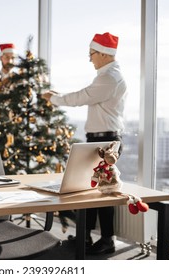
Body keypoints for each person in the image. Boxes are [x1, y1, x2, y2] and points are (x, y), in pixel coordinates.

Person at [41, 32, 127, 255]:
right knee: (89, 190)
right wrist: (57, 96)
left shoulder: (109, 78)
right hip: (99, 139)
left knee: (104, 193)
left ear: (104, 54)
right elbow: (86, 95)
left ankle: (107, 239)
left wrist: (54, 99)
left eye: (92, 54)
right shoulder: (107, 75)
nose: (90, 58)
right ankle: (85, 237)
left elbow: (82, 97)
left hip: (105, 141)